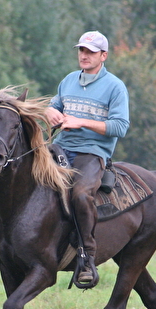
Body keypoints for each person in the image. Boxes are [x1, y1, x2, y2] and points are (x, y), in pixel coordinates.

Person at [45, 31, 130, 284]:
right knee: (19, 177)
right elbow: (55, 105)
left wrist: (82, 121)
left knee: (81, 195)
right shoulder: (69, 80)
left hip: (92, 152)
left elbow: (120, 126)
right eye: (81, 50)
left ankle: (87, 257)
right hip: (60, 146)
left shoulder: (115, 86)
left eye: (90, 52)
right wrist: (50, 112)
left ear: (103, 56)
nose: (84, 55)